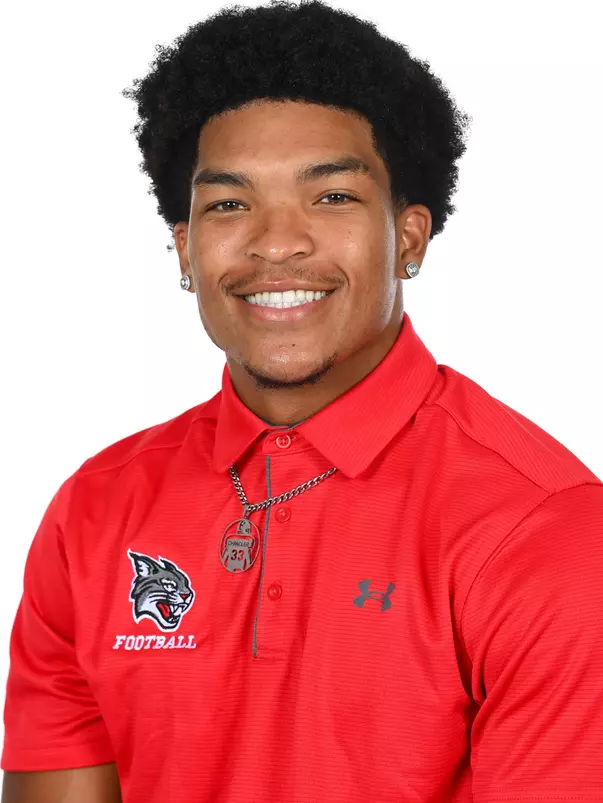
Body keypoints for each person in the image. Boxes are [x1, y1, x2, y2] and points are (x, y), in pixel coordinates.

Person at [3, 1, 603, 801]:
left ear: (408, 237)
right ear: (184, 249)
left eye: (331, 198)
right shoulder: (95, 510)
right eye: (227, 203)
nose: (275, 242)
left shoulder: (543, 527)